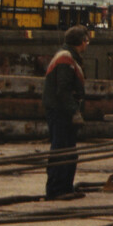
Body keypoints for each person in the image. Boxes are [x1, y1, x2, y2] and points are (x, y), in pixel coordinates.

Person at [42, 24, 91, 199]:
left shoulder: (70, 57)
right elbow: (62, 91)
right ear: (81, 41)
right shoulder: (66, 58)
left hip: (64, 112)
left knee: (69, 150)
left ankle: (65, 188)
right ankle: (56, 190)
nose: (87, 44)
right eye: (86, 40)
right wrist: (74, 112)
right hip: (60, 112)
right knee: (61, 150)